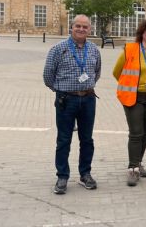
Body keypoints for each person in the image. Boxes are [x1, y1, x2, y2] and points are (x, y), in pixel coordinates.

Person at [43, 14, 101, 195]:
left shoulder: (94, 50)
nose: (81, 29)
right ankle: (62, 176)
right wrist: (62, 90)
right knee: (64, 140)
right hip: (66, 100)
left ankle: (85, 174)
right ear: (72, 27)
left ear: (89, 30)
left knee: (87, 139)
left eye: (85, 27)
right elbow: (48, 76)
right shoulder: (58, 49)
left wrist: (85, 86)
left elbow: (97, 72)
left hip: (89, 99)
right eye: (78, 26)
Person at [113, 19, 146, 186]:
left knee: (145, 132)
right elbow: (117, 71)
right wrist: (128, 84)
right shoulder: (130, 49)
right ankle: (133, 168)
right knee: (136, 132)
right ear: (142, 32)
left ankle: (138, 162)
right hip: (133, 97)